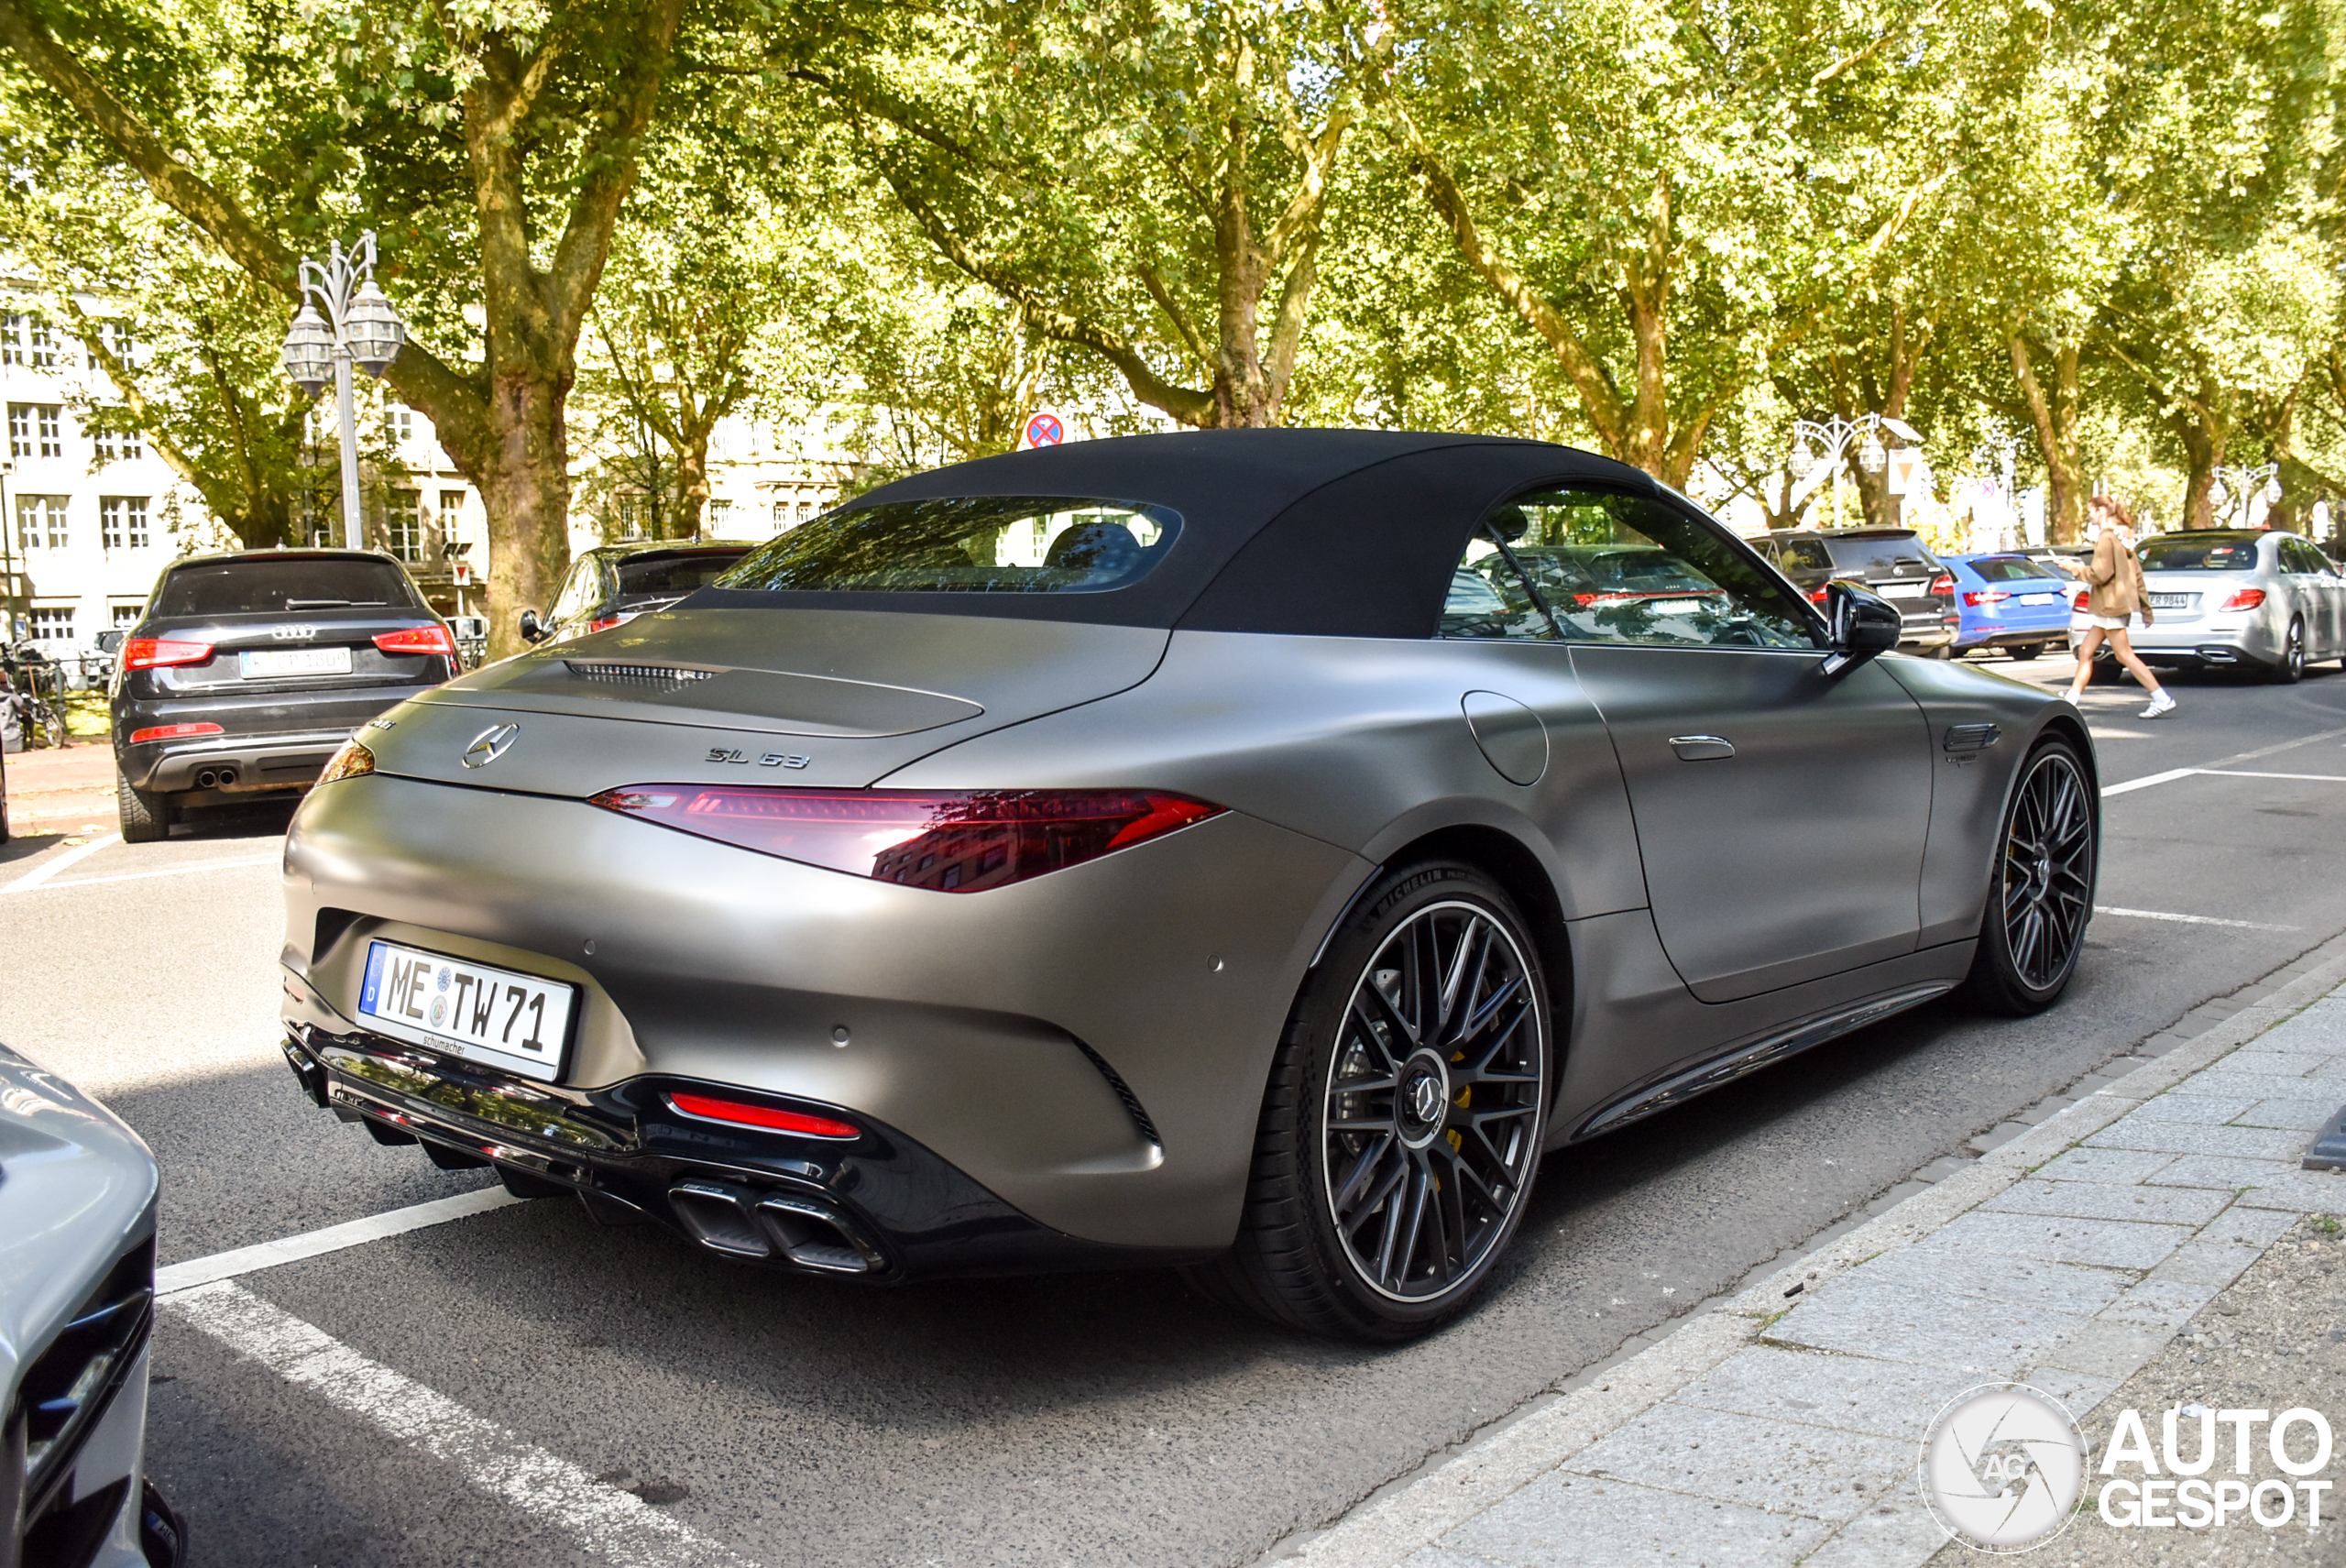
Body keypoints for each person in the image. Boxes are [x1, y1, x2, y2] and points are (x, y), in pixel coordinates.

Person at [2067, 496, 2176, 718]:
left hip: (2109, 605)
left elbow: (2099, 573)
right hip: (2113, 605)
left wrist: (2074, 568)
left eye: (2091, 511)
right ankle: (2071, 699)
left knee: (2124, 655)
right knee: (2086, 651)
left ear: (2101, 512)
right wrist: (2146, 608)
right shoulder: (2123, 537)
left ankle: (2161, 697)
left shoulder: (2106, 538)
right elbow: (2136, 574)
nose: (2089, 516)